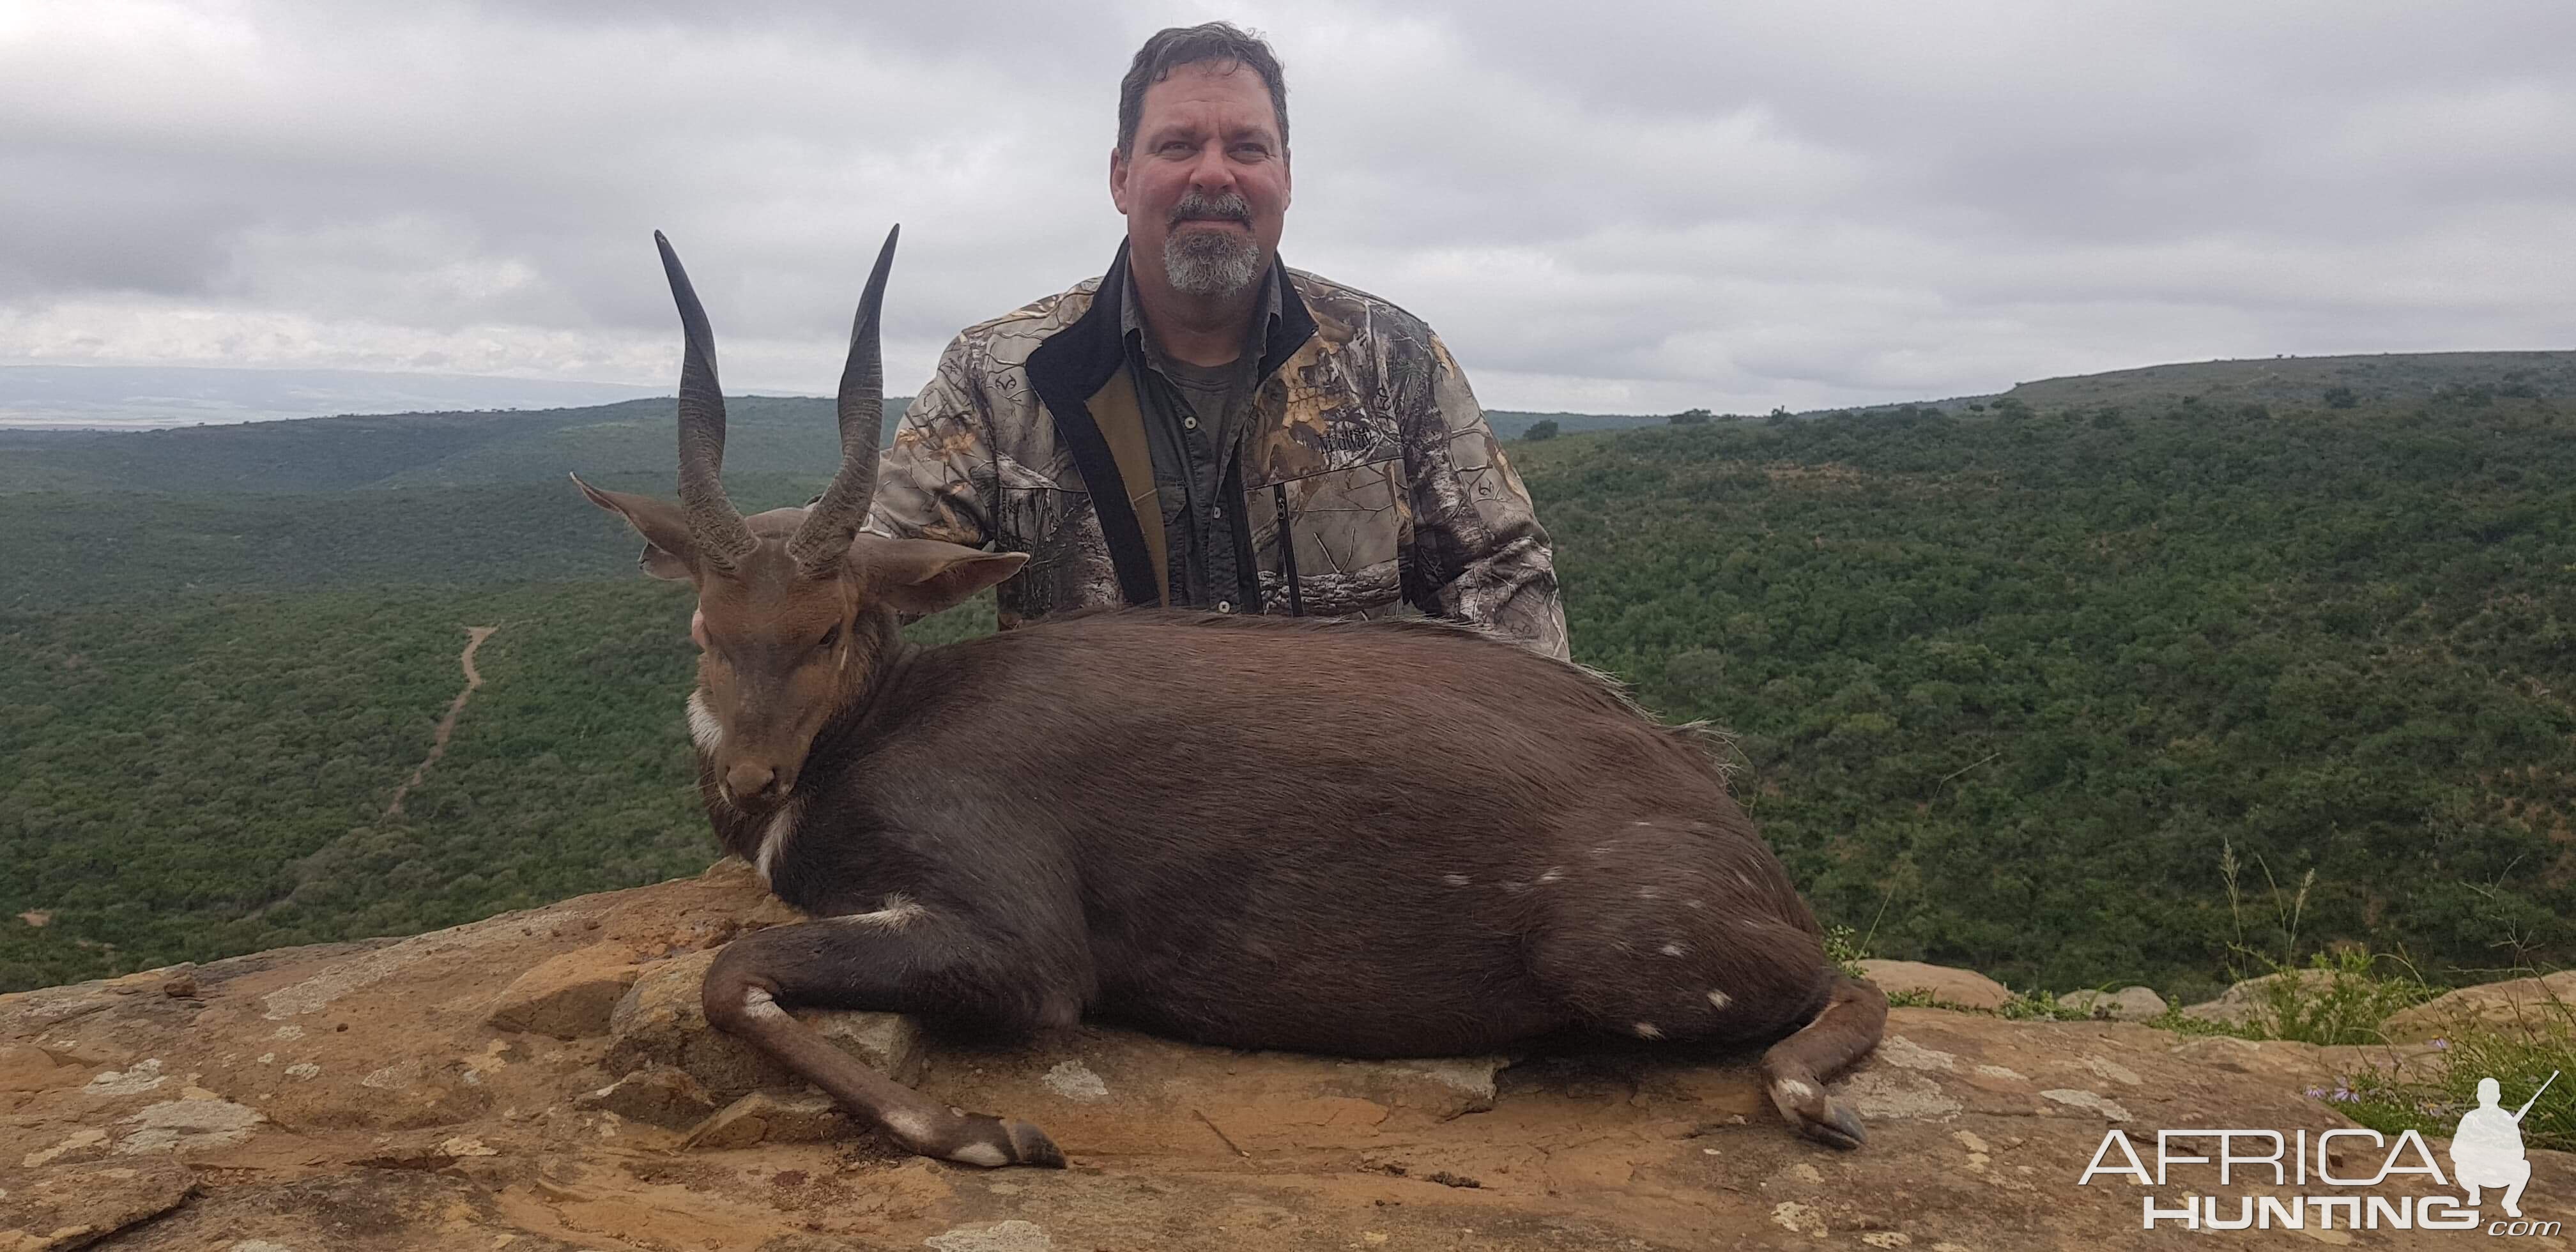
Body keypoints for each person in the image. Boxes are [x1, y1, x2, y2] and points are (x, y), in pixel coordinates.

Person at [863, 22, 1570, 660]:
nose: (1212, 173)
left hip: (1342, 794)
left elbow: (1502, 572)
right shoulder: (996, 374)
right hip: (1087, 800)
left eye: (1246, 147)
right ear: (1120, 177)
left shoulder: (1395, 360)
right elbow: (858, 566)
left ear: (1285, 178)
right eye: (1177, 145)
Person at [2450, 1075, 2536, 1218]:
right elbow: (2455, 1152)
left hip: (2499, 1172)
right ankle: (2474, 1192)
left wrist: (2500, 1149)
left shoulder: (2507, 1121)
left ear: (2498, 1097)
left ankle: (2510, 1202)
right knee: (2460, 1166)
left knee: (2524, 1166)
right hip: (2473, 1171)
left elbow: (2519, 1153)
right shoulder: (2470, 1119)